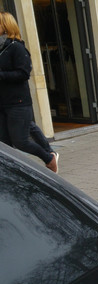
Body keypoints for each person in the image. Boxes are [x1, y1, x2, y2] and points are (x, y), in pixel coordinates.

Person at [0, 12, 58, 173]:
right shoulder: (1, 48)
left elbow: (23, 73)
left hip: (17, 102)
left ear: (5, 26)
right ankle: (11, 172)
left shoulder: (16, 47)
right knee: (4, 143)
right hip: (2, 103)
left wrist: (1, 75)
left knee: (20, 141)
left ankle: (48, 158)